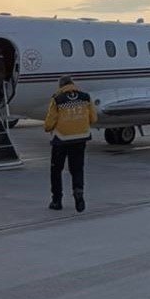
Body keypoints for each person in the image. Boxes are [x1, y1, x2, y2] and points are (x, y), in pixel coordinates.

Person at [43, 75, 97, 212]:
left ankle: (57, 200)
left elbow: (49, 123)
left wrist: (48, 128)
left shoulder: (57, 99)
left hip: (61, 140)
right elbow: (94, 118)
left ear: (61, 86)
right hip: (80, 139)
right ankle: (78, 193)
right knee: (77, 169)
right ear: (73, 84)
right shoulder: (85, 97)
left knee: (56, 170)